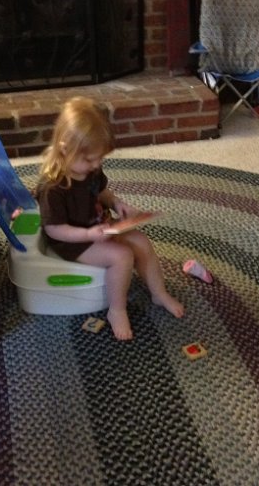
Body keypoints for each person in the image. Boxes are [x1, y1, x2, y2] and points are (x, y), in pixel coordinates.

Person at [36, 96, 184, 340]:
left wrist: (117, 204)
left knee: (141, 242)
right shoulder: (53, 187)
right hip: (73, 241)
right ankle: (117, 310)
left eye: (100, 159)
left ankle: (159, 293)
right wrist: (88, 234)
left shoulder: (91, 169)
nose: (96, 165)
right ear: (64, 148)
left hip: (99, 226)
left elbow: (101, 191)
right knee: (122, 256)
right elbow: (54, 229)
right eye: (89, 159)